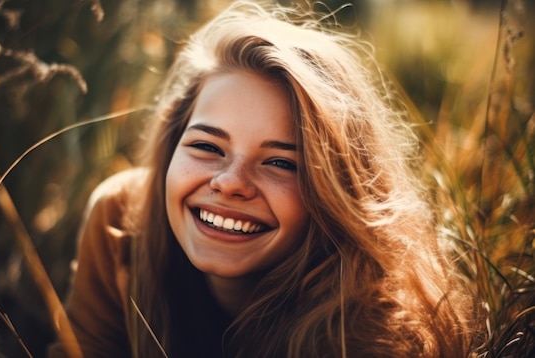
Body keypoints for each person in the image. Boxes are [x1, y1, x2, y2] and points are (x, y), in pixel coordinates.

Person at [50, 1, 478, 357]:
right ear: (172, 143)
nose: (231, 182)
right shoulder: (121, 219)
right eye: (208, 147)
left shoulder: (375, 333)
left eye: (280, 163)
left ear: (337, 193)